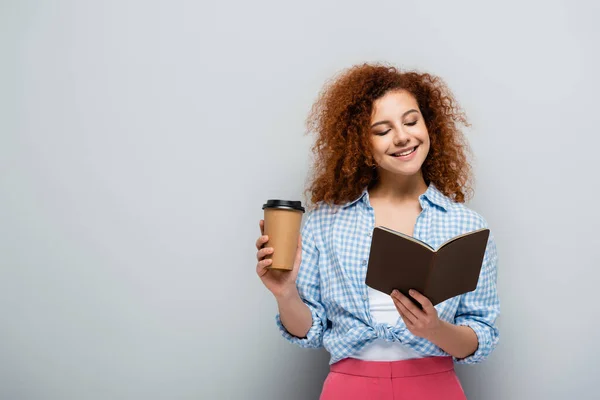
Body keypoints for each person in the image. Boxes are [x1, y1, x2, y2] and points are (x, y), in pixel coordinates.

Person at [255, 63, 500, 399]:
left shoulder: (467, 225)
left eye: (411, 121)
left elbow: (480, 335)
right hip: (349, 387)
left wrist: (434, 328)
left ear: (429, 125)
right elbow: (309, 332)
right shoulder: (326, 221)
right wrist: (285, 293)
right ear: (360, 142)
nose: (402, 137)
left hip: (435, 387)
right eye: (382, 130)